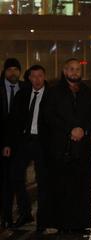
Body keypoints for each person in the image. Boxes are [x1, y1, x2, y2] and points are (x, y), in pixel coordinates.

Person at [43, 58, 91, 234]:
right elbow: (49, 116)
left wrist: (84, 129)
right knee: (61, 186)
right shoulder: (53, 92)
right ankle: (60, 222)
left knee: (81, 187)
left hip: (82, 147)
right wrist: (70, 130)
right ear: (64, 70)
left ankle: (80, 223)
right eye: (71, 69)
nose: (74, 72)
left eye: (77, 69)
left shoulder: (87, 91)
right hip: (61, 147)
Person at [5, 65, 49, 230]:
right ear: (28, 78)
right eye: (33, 76)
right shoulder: (22, 95)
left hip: (42, 142)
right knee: (15, 175)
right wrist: (8, 143)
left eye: (40, 76)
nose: (37, 79)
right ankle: (25, 212)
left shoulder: (51, 96)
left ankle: (43, 218)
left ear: (44, 77)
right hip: (23, 141)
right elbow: (12, 121)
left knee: (43, 180)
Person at [1, 58, 27, 228]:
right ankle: (6, 216)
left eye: (16, 69)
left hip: (20, 143)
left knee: (18, 179)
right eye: (9, 69)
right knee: (4, 181)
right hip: (2, 142)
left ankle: (24, 214)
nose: (13, 73)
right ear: (4, 71)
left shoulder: (25, 88)